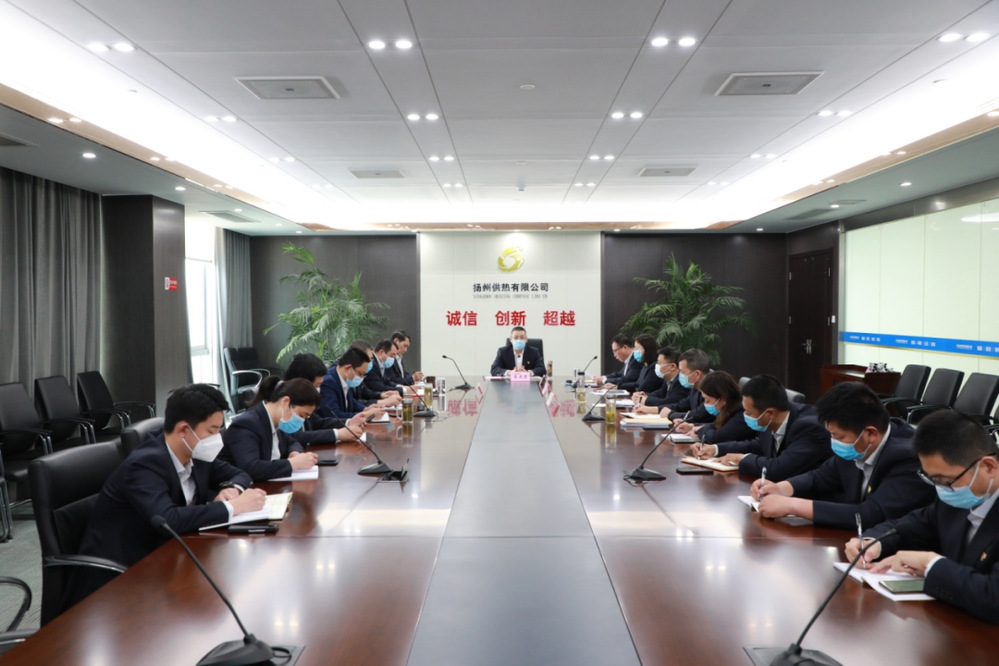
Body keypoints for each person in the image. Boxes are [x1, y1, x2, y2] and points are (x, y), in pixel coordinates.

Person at [72, 384, 264, 602]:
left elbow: (240, 474)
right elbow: (168, 519)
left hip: (169, 556)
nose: (217, 439)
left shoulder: (197, 453)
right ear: (183, 430)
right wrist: (231, 508)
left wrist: (232, 489)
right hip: (121, 578)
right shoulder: (145, 465)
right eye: (211, 431)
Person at [844, 410, 999, 623]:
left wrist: (931, 564)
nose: (940, 489)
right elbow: (912, 526)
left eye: (944, 480)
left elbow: (993, 597)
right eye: (932, 479)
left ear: (989, 466)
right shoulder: (957, 496)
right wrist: (874, 543)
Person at [750, 382, 934, 529]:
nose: (834, 441)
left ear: (870, 433)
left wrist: (793, 506)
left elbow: (872, 514)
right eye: (831, 434)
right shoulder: (857, 445)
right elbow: (820, 477)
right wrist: (781, 488)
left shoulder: (909, 457)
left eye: (838, 436)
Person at [691, 374, 830, 481]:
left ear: (770, 413)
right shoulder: (770, 421)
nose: (745, 416)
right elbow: (757, 445)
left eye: (748, 413)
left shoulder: (809, 428)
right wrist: (715, 449)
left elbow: (779, 469)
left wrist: (742, 459)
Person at [220, 376, 321, 482]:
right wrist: (292, 463)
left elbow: (292, 442)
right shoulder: (246, 424)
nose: (302, 421)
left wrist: (294, 453)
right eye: (301, 415)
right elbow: (251, 468)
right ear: (286, 402)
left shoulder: (276, 421)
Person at [283, 353, 366, 445]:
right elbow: (294, 437)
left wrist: (349, 422)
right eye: (317, 385)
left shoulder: (301, 398)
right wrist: (337, 434)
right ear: (304, 382)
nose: (319, 390)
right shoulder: (283, 401)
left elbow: (318, 423)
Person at [673, 371, 755, 445]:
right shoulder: (729, 407)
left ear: (722, 399)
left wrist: (699, 431)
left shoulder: (742, 411)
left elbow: (717, 437)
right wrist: (691, 426)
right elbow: (716, 425)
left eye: (708, 400)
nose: (705, 404)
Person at [319, 347, 380, 420]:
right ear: (348, 368)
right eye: (360, 374)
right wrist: (365, 415)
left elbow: (351, 402)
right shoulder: (328, 382)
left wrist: (365, 409)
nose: (361, 378)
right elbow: (334, 415)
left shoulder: (345, 378)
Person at [658, 348, 711, 423]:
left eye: (682, 371)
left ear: (697, 374)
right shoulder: (695, 386)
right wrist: (653, 409)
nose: (680, 375)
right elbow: (681, 406)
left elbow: (698, 415)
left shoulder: (713, 388)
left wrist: (670, 414)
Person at [348, 338, 403, 408]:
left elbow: (365, 392)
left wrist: (381, 395)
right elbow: (351, 404)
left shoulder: (358, 371)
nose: (371, 362)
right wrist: (381, 402)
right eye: (370, 359)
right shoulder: (340, 376)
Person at [633, 346, 688, 412]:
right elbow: (661, 393)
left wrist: (646, 400)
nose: (656, 365)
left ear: (672, 366)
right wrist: (645, 395)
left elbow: (668, 402)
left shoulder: (680, 382)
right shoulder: (667, 379)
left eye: (659, 363)